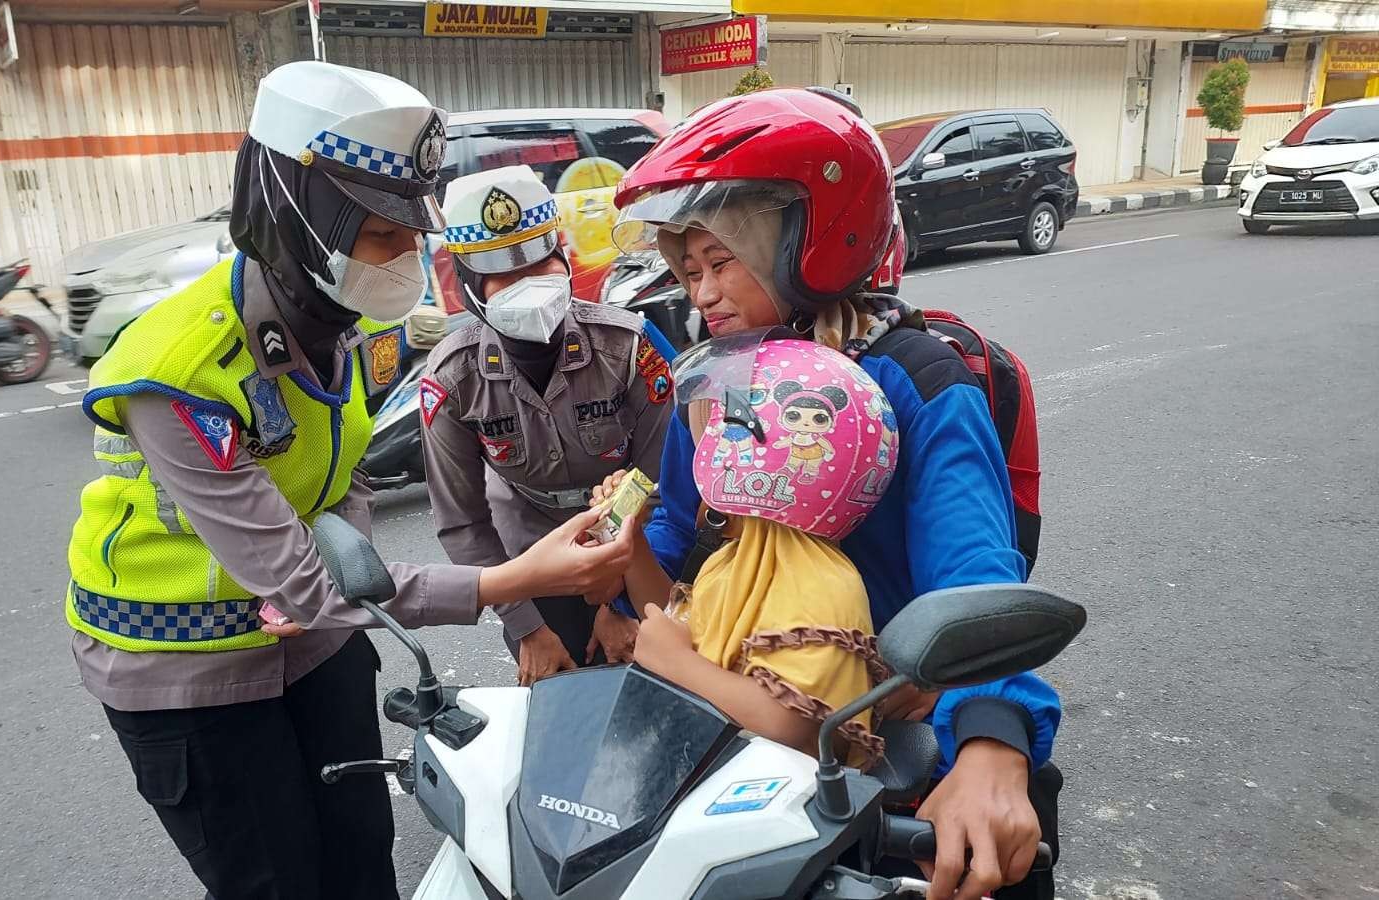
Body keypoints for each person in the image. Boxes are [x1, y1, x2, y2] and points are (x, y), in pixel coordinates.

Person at [63, 62, 632, 900]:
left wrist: (343, 579)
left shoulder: (350, 329)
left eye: (411, 234)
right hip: (187, 671)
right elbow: (298, 578)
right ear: (301, 216)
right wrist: (514, 584)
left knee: (364, 859)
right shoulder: (176, 372)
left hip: (315, 647)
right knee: (279, 880)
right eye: (381, 235)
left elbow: (346, 472)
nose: (407, 257)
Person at [606, 87, 1064, 900]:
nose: (701, 294)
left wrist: (994, 744)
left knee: (991, 865)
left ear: (812, 242)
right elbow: (683, 526)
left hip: (886, 725)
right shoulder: (715, 383)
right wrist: (614, 566)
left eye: (722, 262)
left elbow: (976, 576)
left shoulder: (917, 378)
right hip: (734, 708)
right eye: (688, 270)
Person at [421, 165, 675, 684]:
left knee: (656, 685)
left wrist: (618, 597)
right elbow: (463, 523)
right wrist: (527, 629)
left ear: (563, 258)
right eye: (506, 277)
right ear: (471, 288)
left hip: (634, 538)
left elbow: (659, 473)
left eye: (541, 265)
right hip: (529, 556)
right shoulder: (453, 378)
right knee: (560, 697)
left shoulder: (626, 347)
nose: (530, 287)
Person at [612, 334, 898, 768]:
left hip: (791, 813)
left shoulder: (820, 584)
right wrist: (631, 544)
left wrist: (676, 664)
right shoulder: (733, 560)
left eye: (707, 439)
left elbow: (786, 720)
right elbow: (669, 624)